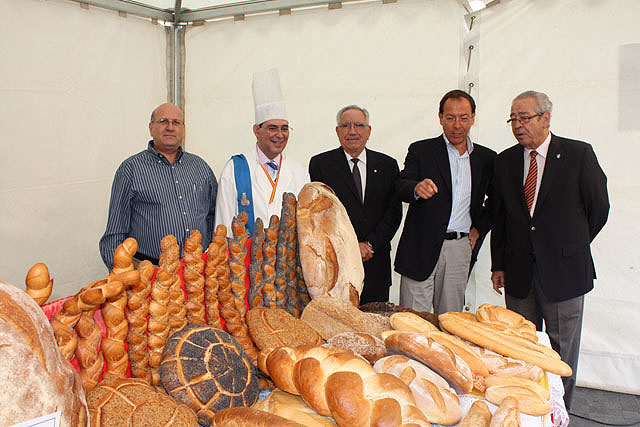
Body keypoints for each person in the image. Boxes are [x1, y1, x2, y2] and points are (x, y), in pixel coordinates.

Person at [490, 90, 609, 409]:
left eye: (524, 118)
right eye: (512, 119)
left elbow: (598, 209)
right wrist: (498, 264)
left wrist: (570, 247)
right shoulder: (505, 161)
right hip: (519, 274)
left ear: (546, 118)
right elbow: (499, 217)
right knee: (519, 349)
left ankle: (560, 413)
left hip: (565, 274)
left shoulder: (578, 154)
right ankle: (529, 411)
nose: (517, 125)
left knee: (561, 353)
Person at [395, 90, 496, 314]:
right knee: (413, 322)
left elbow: (497, 201)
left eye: (463, 118)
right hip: (419, 246)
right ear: (440, 118)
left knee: (451, 320)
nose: (457, 125)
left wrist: (480, 228)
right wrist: (416, 188)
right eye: (450, 118)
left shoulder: (486, 158)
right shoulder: (421, 150)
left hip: (459, 249)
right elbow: (400, 184)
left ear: (473, 118)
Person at [99, 103, 218, 269]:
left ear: (183, 128)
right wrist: (121, 276)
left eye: (176, 123)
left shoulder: (200, 167)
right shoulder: (131, 169)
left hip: (196, 271)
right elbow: (115, 231)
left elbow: (214, 215)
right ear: (151, 127)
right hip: (149, 272)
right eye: (163, 121)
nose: (170, 127)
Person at [309, 105, 402, 304]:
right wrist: (351, 247)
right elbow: (320, 216)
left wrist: (370, 245)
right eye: (346, 125)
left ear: (369, 131)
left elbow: (393, 212)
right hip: (336, 265)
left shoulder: (388, 165)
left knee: (375, 323)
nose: (352, 131)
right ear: (337, 131)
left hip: (375, 261)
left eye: (359, 125)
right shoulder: (320, 164)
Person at [215, 69, 308, 235]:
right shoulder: (235, 168)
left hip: (287, 259)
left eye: (284, 128)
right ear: (256, 130)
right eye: (272, 128)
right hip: (245, 259)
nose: (280, 135)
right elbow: (224, 224)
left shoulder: (299, 171)